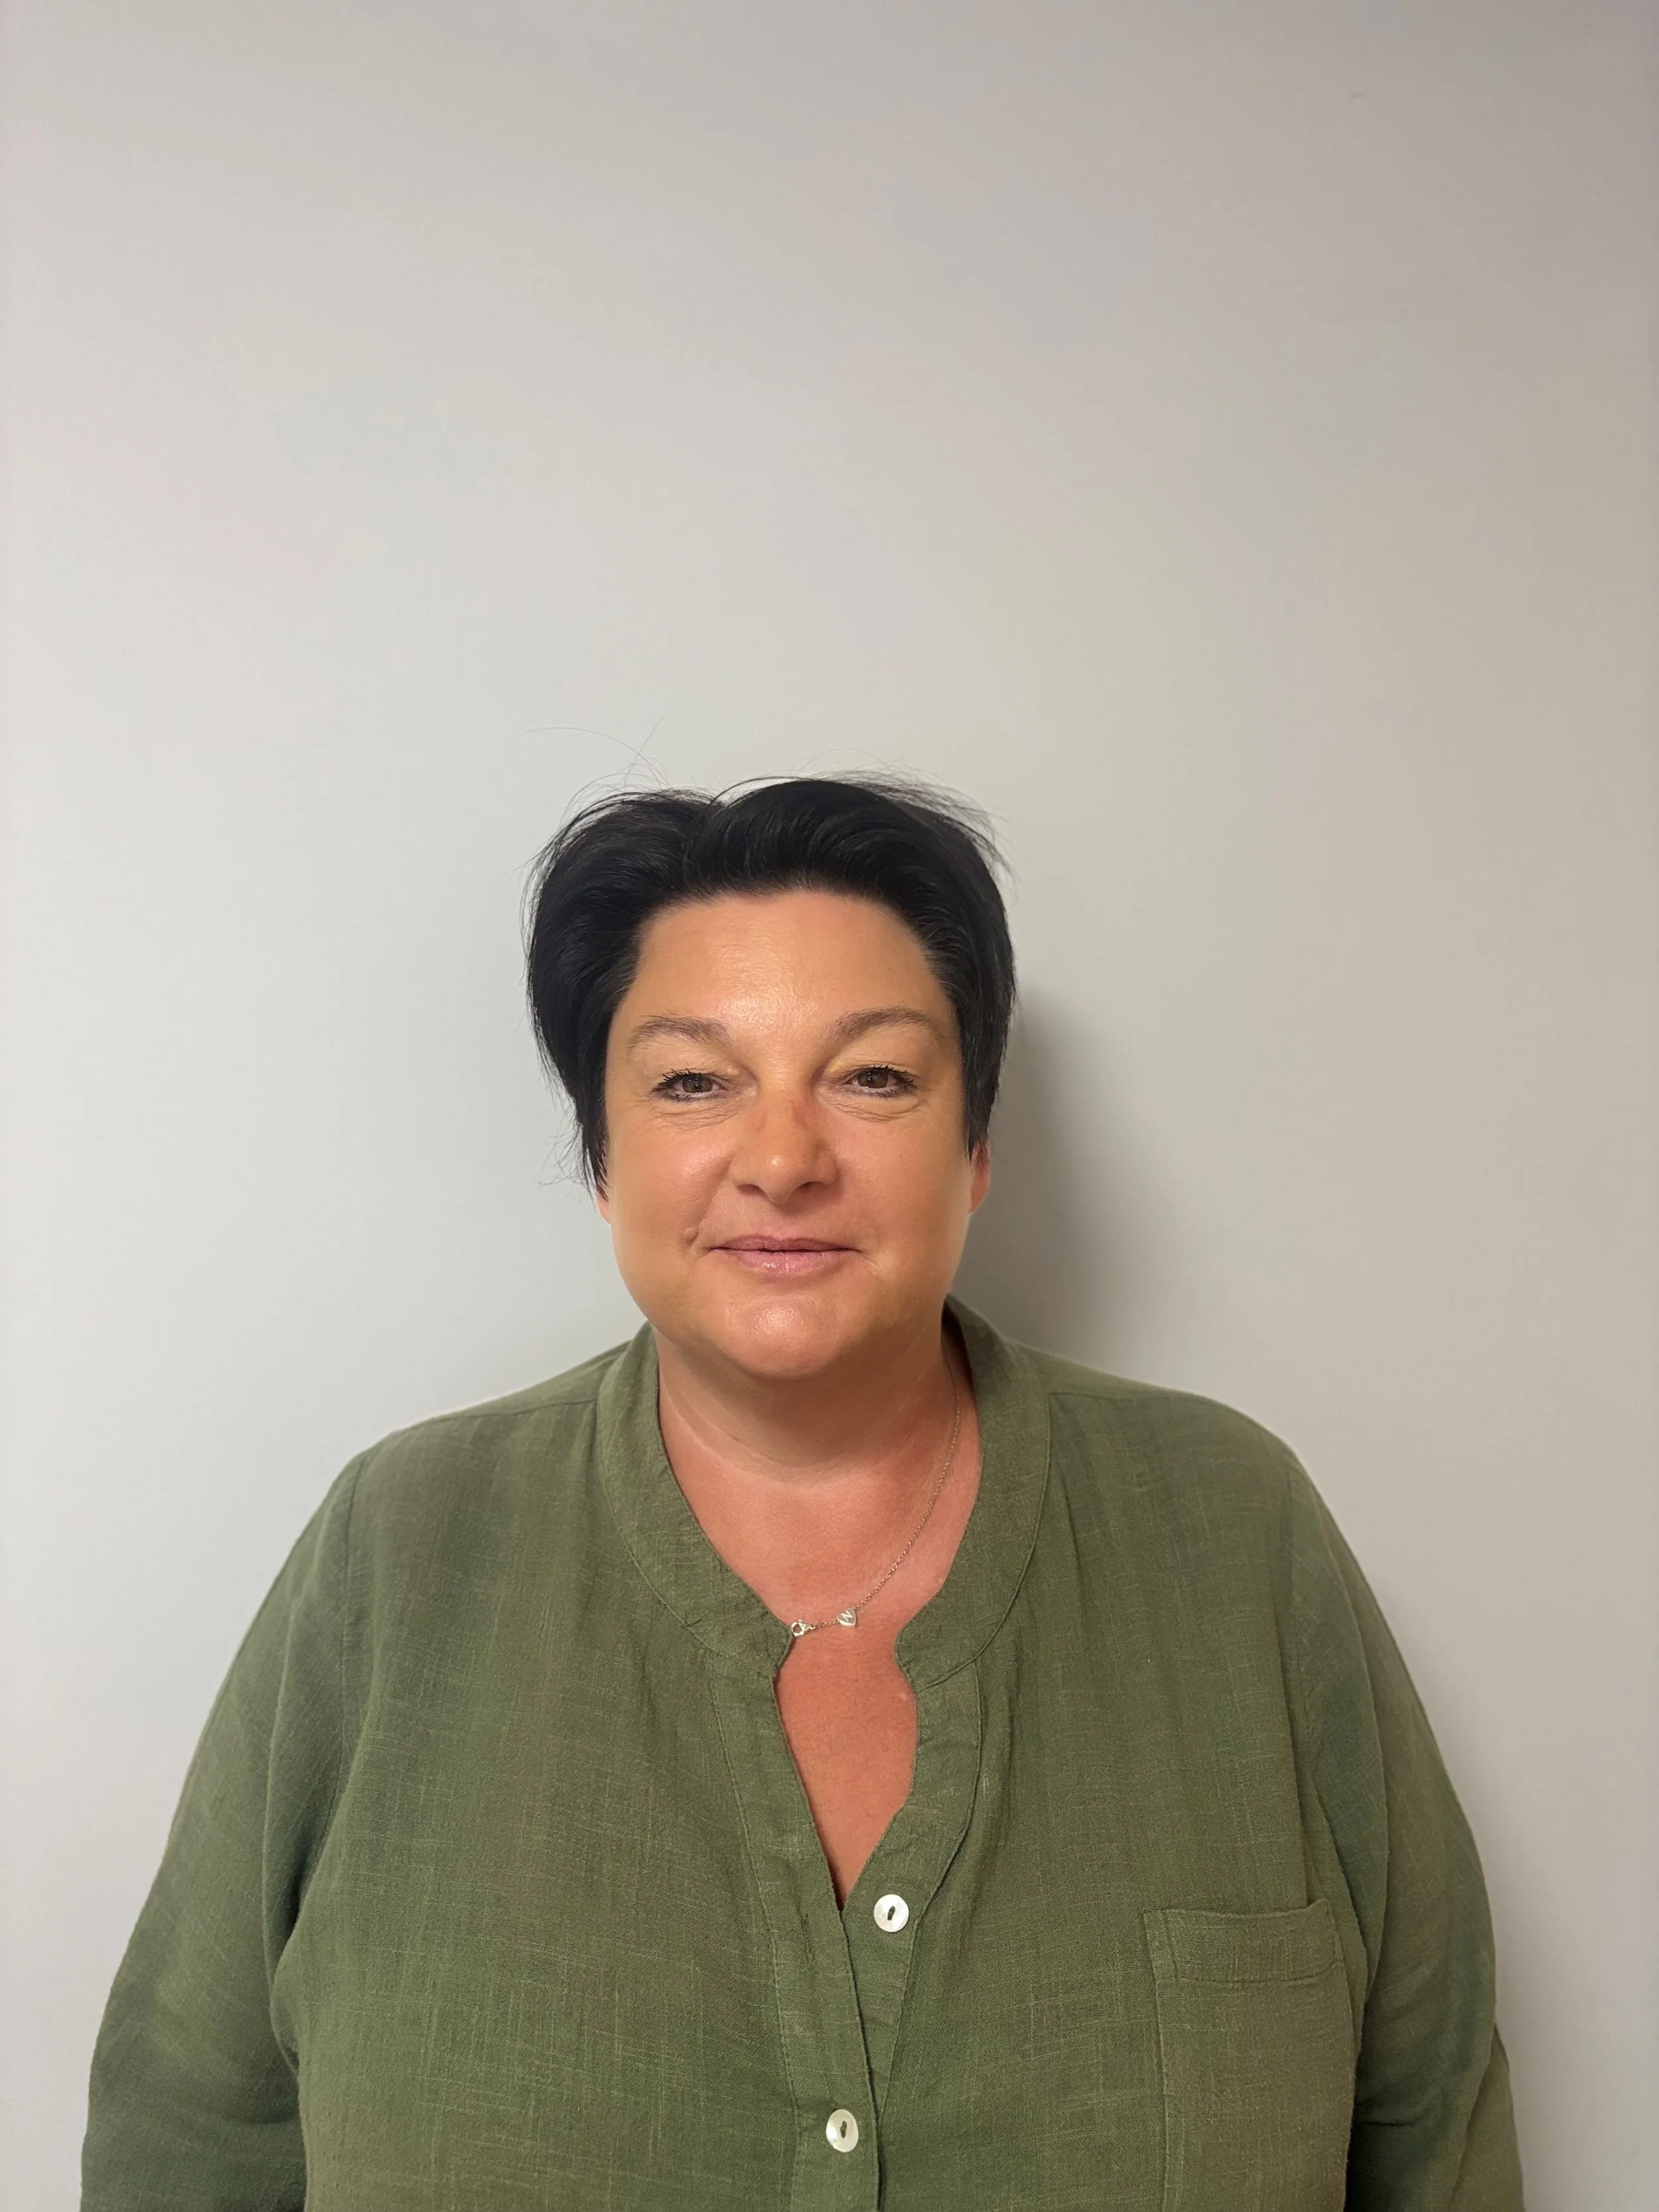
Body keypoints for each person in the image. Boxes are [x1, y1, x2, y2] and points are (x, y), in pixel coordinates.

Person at [82, 776, 1524, 2209]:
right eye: (692, 1082)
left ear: (976, 1148)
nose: (782, 1161)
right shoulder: (397, 1555)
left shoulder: (1232, 1535)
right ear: (603, 1159)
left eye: (873, 1077)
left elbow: (1434, 2123)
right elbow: (186, 2141)